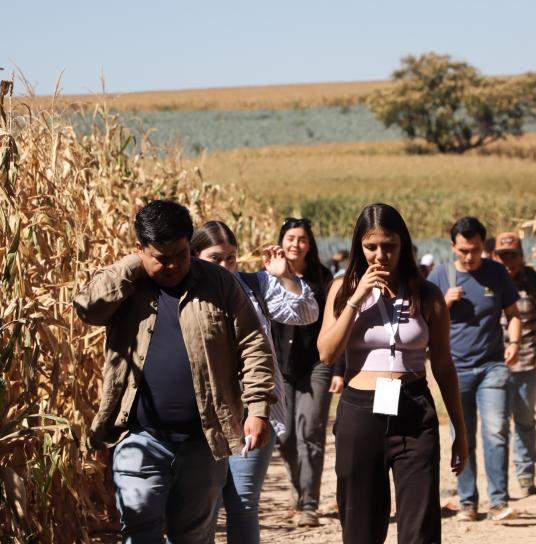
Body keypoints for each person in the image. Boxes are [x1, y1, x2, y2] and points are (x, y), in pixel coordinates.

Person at [73, 200, 276, 543]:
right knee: (139, 528)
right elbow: (87, 308)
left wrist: (258, 408)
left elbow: (254, 345)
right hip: (139, 436)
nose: (171, 265)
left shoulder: (218, 283)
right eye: (160, 257)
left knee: (192, 536)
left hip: (204, 441)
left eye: (180, 254)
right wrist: (132, 266)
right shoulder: (126, 283)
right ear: (140, 249)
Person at [317, 203, 468, 544]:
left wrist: (460, 431)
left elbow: (444, 366)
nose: (380, 256)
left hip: (413, 409)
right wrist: (357, 298)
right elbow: (327, 353)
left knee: (420, 526)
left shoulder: (426, 294)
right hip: (361, 412)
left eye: (389, 246)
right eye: (371, 247)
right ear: (359, 247)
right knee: (361, 526)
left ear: (403, 245)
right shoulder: (342, 288)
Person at [191, 220, 319, 544]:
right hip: (203, 415)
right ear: (194, 256)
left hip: (253, 409)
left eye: (231, 258)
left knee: (243, 500)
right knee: (204, 505)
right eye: (215, 258)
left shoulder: (253, 286)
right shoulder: (184, 295)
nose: (225, 266)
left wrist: (286, 276)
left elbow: (306, 313)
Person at [427, 216, 522, 522]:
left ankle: (499, 501)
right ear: (452, 246)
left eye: (476, 250)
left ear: (484, 245)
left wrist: (514, 342)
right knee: (462, 435)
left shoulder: (496, 273)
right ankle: (468, 501)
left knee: (495, 431)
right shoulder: (440, 276)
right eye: (463, 250)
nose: (470, 256)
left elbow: (513, 313)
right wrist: (444, 303)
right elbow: (422, 322)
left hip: (492, 364)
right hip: (454, 369)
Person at [273, 217, 344, 527]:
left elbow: (337, 323)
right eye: (290, 238)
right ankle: (299, 487)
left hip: (316, 365)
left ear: (309, 244)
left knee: (311, 432)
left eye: (302, 239)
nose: (296, 244)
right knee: (285, 434)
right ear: (282, 241)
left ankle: (309, 504)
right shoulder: (270, 276)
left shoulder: (322, 277)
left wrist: (339, 369)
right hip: (281, 367)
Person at [492, 231, 536, 495]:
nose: (508, 261)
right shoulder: (488, 279)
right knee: (497, 426)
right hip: (493, 364)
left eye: (513, 256)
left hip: (526, 362)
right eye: (503, 256)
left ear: (521, 256)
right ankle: (499, 486)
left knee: (523, 420)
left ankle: (525, 475)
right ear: (496, 257)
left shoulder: (533, 280)